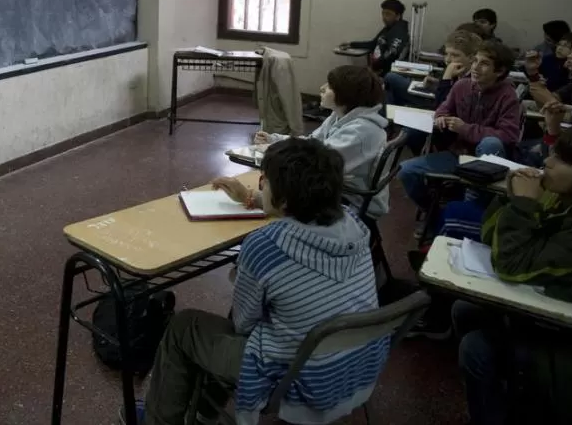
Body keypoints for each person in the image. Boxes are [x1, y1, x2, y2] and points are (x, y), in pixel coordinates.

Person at [122, 139, 387, 425]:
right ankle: (203, 412)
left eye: (265, 181)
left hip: (301, 382)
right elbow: (296, 208)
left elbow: (242, 325)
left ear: (284, 199)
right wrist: (253, 199)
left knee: (185, 327)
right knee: (254, 318)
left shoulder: (266, 247)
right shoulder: (355, 225)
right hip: (358, 368)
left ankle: (157, 419)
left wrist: (246, 277)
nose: (261, 185)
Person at [454, 124, 572, 425]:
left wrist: (523, 203)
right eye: (554, 152)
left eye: (562, 160)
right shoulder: (563, 197)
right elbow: (492, 237)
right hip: (549, 306)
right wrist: (510, 197)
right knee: (464, 309)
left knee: (476, 349)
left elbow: (510, 265)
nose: (547, 162)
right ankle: (507, 401)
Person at [248, 66, 388, 218]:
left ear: (346, 95)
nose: (322, 88)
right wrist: (274, 139)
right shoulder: (339, 116)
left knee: (287, 180)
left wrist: (275, 153)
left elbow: (315, 164)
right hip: (338, 187)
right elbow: (311, 144)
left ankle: (263, 205)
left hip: (352, 201)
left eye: (330, 86)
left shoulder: (360, 131)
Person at [398, 42, 521, 211]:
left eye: (484, 64)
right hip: (459, 155)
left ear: (499, 71)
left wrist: (465, 129)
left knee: (490, 143)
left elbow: (508, 135)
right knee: (406, 170)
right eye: (475, 61)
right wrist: (442, 117)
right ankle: (434, 214)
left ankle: (471, 209)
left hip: (487, 160)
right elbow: (444, 108)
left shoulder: (508, 96)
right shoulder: (462, 85)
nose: (476, 67)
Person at [340, 0, 409, 76]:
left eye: (388, 14)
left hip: (385, 73)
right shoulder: (388, 28)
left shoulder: (399, 31)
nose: (384, 17)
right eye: (383, 13)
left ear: (398, 16)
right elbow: (373, 44)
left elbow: (391, 54)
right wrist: (351, 44)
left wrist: (373, 68)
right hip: (375, 70)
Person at [525, 31, 572, 98]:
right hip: (540, 95)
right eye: (559, 44)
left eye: (566, 46)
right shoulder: (548, 59)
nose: (560, 48)